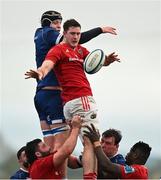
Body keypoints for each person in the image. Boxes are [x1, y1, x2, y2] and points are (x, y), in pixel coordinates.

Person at [25, 18, 120, 179]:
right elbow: (47, 65)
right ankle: (90, 177)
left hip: (69, 103)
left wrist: (106, 62)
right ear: (64, 34)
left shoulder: (81, 50)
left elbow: (95, 61)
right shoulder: (58, 50)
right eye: (72, 34)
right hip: (81, 98)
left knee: (73, 142)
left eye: (78, 34)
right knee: (90, 142)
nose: (76, 37)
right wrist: (40, 73)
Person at [84, 124, 152, 179]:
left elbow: (107, 166)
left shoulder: (137, 171)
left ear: (135, 155)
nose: (127, 154)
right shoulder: (139, 170)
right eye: (102, 141)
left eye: (130, 151)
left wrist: (96, 143)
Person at [25, 115, 82, 179]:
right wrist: (76, 128)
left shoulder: (38, 165)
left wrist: (71, 129)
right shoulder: (39, 165)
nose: (48, 146)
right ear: (38, 154)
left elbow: (68, 157)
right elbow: (66, 150)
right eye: (44, 146)